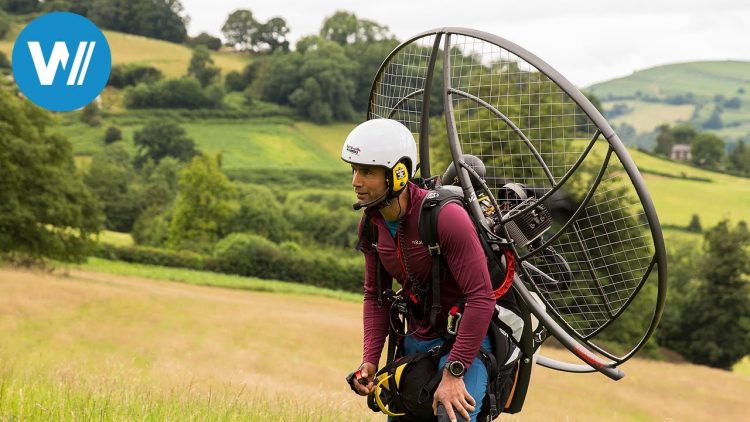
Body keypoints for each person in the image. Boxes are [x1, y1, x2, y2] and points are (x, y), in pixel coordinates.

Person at [342, 119, 497, 422]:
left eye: (367, 171)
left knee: (452, 416)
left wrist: (455, 372)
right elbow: (376, 296)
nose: (355, 181)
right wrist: (370, 361)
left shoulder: (445, 217)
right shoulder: (372, 225)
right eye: (354, 170)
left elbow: (481, 298)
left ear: (398, 173)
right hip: (416, 341)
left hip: (467, 344)